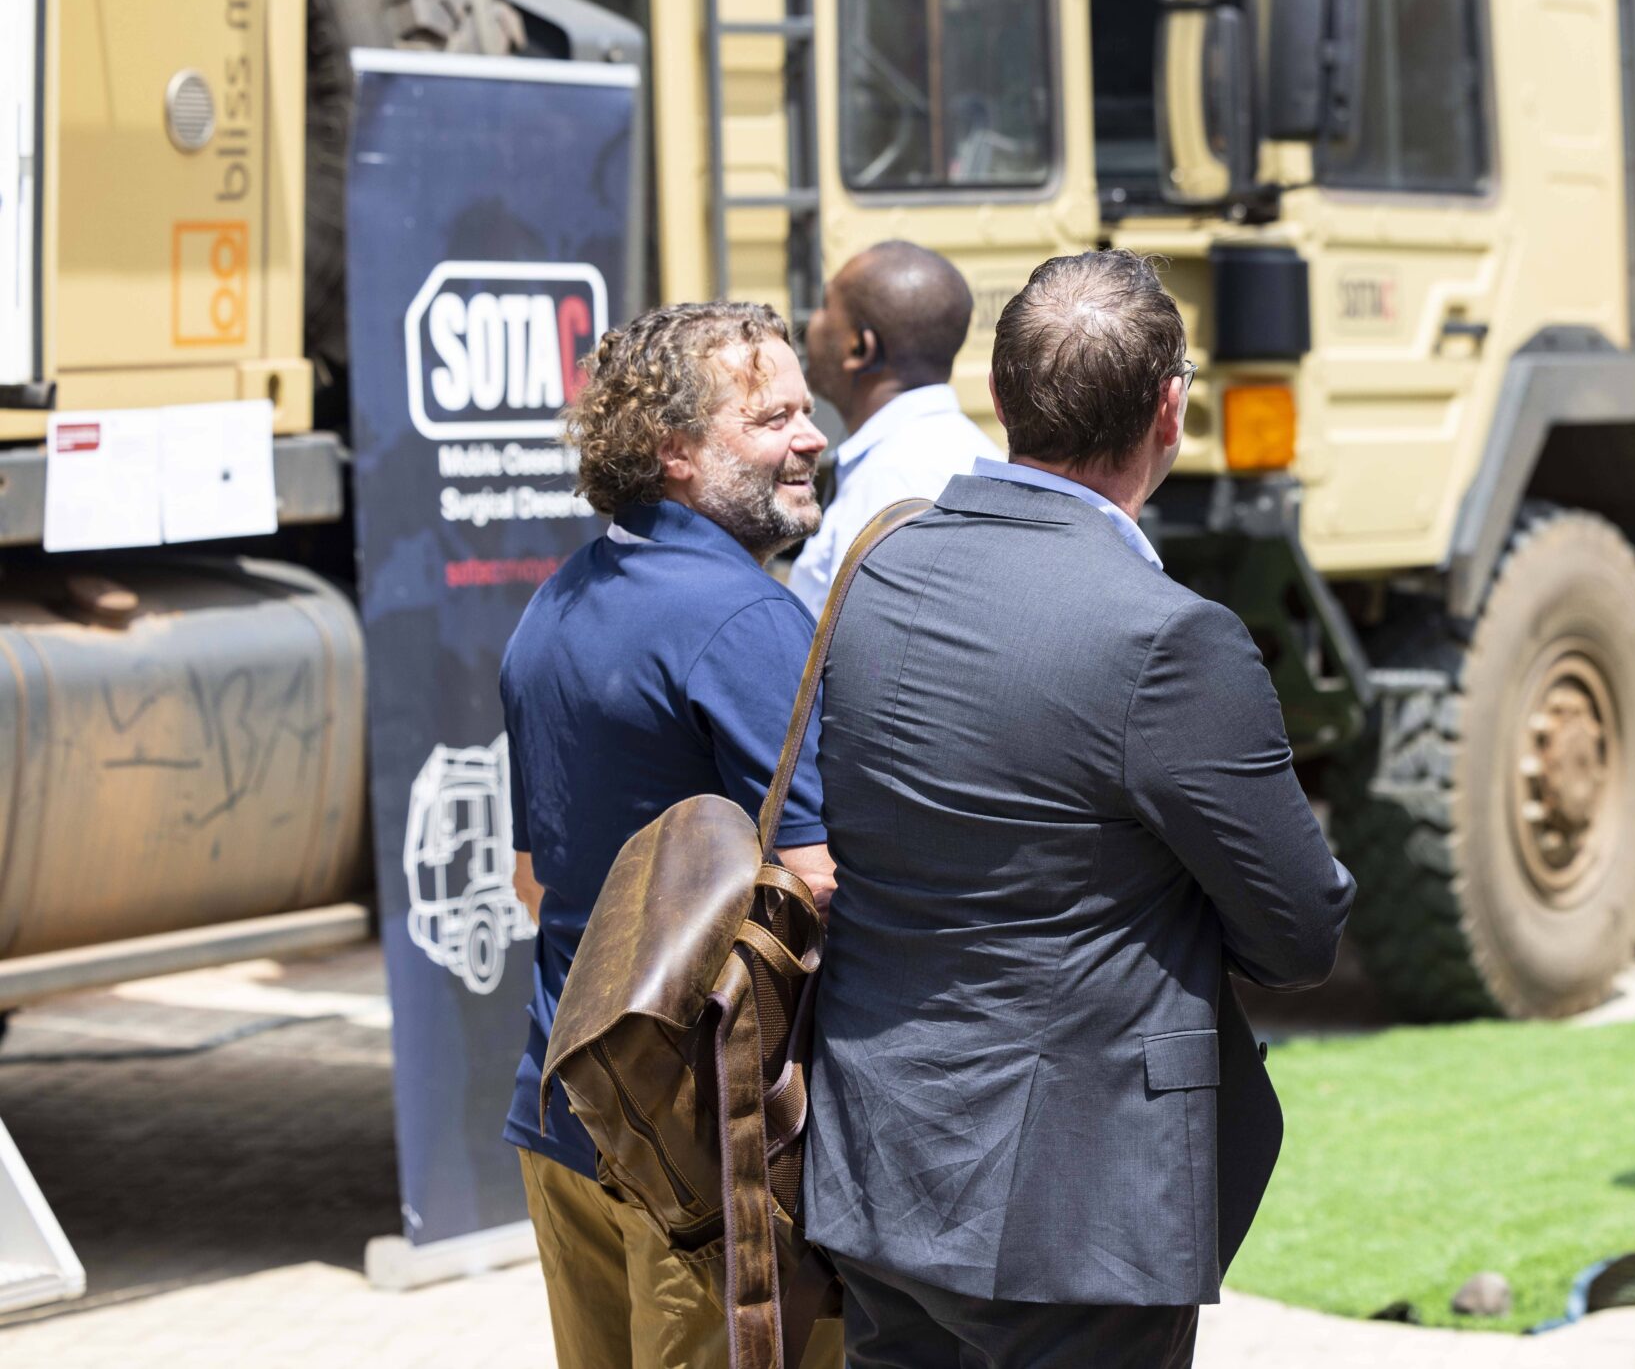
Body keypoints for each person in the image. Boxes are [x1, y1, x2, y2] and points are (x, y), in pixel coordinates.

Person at [802, 249, 1356, 1369]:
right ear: (1172, 411)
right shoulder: (1171, 637)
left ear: (997, 396)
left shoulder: (870, 571)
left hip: (874, 1175)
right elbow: (1299, 934)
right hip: (1074, 1214)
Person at [500, 300, 842, 1369]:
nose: (811, 437)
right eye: (771, 418)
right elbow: (818, 880)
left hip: (567, 1116)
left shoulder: (555, 600)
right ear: (674, 450)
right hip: (702, 1158)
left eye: (805, 409)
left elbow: (528, 880)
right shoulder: (745, 619)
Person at [789, 240, 998, 611]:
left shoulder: (892, 482)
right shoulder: (968, 451)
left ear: (859, 348)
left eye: (825, 306)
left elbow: (857, 638)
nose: (811, 324)